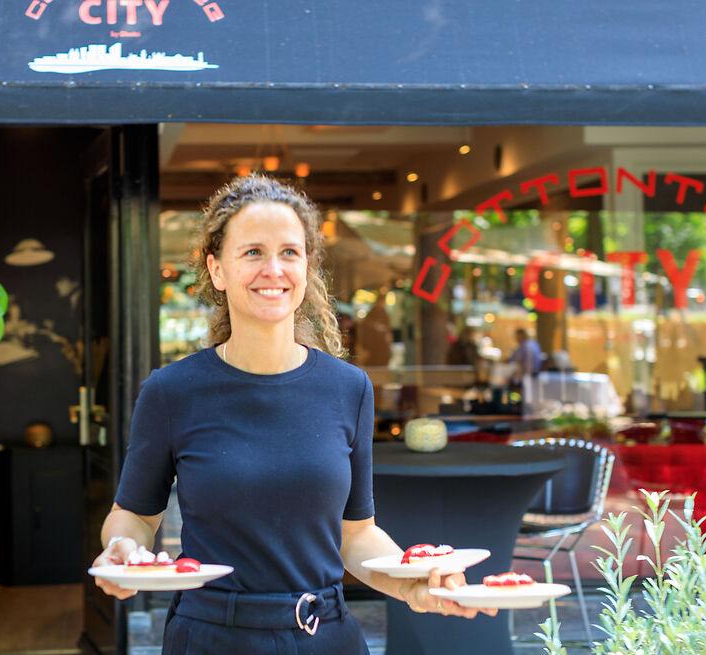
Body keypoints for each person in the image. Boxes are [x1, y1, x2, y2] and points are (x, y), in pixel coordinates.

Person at [91, 174, 496, 655]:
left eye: (289, 252)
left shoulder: (349, 388)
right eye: (253, 252)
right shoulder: (172, 391)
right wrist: (121, 548)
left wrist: (412, 585)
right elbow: (134, 515)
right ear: (217, 269)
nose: (273, 269)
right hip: (212, 638)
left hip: (326, 637)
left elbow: (356, 534)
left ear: (306, 267)